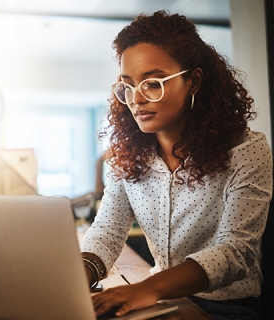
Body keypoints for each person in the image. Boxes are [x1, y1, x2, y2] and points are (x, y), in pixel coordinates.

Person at [79, 11, 272, 320]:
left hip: (228, 309)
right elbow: (107, 230)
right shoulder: (128, 154)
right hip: (165, 302)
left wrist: (149, 288)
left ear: (193, 81)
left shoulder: (246, 150)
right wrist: (80, 273)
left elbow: (235, 251)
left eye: (152, 83)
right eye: (128, 86)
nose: (136, 100)